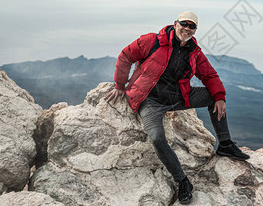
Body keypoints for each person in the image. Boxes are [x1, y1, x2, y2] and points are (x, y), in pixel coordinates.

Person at [104, 11, 249, 204]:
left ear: (195, 30)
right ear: (175, 23)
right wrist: (120, 85)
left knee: (215, 97)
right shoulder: (153, 41)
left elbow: (210, 75)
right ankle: (182, 181)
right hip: (150, 100)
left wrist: (220, 97)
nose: (187, 29)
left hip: (179, 97)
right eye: (184, 24)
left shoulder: (194, 51)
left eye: (192, 26)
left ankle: (225, 144)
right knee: (157, 138)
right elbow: (125, 56)